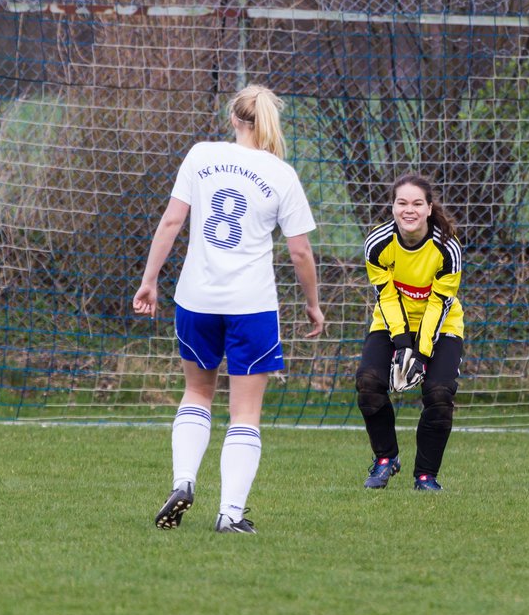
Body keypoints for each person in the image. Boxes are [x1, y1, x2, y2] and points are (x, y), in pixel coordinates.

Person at [133, 84, 324, 534]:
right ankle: (230, 514)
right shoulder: (281, 174)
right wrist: (313, 304)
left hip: (195, 298)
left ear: (234, 120)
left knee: (197, 394)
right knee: (244, 413)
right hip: (251, 306)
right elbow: (300, 253)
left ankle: (183, 482)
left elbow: (172, 221)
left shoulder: (201, 155)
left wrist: (149, 280)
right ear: (270, 123)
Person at [356, 173, 464, 491]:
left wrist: (420, 352)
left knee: (439, 391)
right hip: (392, 321)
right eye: (402, 202)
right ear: (392, 207)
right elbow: (387, 296)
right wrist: (402, 343)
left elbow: (439, 305)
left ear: (429, 209)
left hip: (441, 326)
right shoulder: (377, 245)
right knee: (368, 381)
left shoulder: (447, 249)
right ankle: (386, 459)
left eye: (417, 203)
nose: (409, 210)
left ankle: (425, 476)